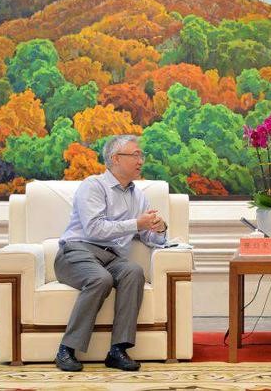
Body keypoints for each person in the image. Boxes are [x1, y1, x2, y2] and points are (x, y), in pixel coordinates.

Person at [54, 135, 167, 372]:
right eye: (135, 155)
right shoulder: (93, 186)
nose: (141, 161)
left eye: (141, 155)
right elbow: (94, 228)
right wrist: (137, 223)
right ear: (115, 159)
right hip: (76, 251)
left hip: (111, 257)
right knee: (100, 279)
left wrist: (159, 229)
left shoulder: (138, 196)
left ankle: (118, 350)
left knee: (133, 271)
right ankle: (66, 348)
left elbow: (148, 237)